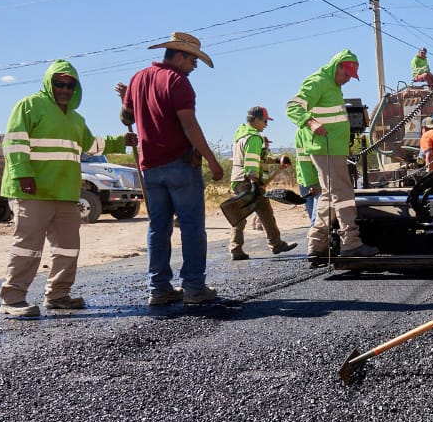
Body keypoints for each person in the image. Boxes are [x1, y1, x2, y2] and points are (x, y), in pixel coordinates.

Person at [0, 60, 132, 318]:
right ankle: (13, 299)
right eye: (59, 83)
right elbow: (14, 145)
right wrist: (23, 174)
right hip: (33, 190)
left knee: (67, 247)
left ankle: (58, 295)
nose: (64, 89)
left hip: (66, 192)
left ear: (76, 88)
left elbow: (92, 146)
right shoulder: (29, 106)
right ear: (49, 83)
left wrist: (122, 141)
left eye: (70, 85)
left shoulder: (75, 118)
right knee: (28, 247)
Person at [118, 31, 224, 306]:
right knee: (191, 227)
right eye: (193, 61)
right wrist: (211, 159)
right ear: (179, 56)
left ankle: (159, 288)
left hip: (150, 168)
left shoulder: (138, 78)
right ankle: (193, 287)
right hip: (179, 164)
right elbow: (189, 125)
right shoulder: (178, 82)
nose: (194, 67)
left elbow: (126, 117)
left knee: (158, 228)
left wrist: (126, 98)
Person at [286, 49, 378, 266]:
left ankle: (317, 245)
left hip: (333, 149)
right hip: (325, 149)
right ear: (337, 67)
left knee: (329, 196)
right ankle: (351, 243)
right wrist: (311, 122)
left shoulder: (333, 87)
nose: (347, 80)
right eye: (345, 75)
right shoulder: (318, 81)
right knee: (343, 195)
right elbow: (292, 107)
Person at [229, 106, 297, 260]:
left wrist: (277, 159)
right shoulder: (254, 138)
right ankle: (276, 244)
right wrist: (254, 181)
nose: (266, 124)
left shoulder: (241, 135)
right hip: (249, 181)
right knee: (265, 212)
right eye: (265, 121)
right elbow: (252, 161)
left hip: (238, 180)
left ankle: (236, 249)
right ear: (256, 120)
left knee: (241, 216)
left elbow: (260, 158)